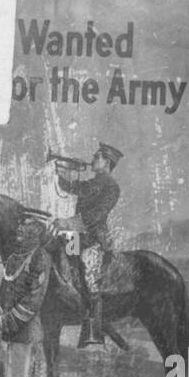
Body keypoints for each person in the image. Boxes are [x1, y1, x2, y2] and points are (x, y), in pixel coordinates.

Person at [53, 143, 123, 347]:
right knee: (62, 264)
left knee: (89, 277)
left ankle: (93, 331)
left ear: (107, 162)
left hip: (94, 240)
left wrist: (67, 223)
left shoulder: (111, 187)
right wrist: (59, 172)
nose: (93, 157)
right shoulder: (93, 183)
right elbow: (73, 188)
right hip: (77, 237)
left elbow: (95, 216)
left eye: (98, 156)